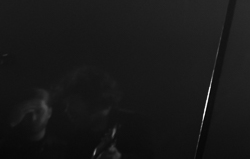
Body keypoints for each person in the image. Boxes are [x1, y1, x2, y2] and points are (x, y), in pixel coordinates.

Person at [0, 67, 153, 159]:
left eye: (72, 103)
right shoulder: (74, 138)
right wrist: (11, 125)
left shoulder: (137, 125)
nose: (67, 110)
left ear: (92, 98)